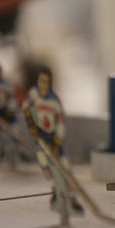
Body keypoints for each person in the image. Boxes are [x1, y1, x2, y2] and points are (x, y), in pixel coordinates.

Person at [22, 67, 83, 214]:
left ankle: (71, 197)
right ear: (38, 81)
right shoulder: (33, 93)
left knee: (65, 167)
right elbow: (25, 107)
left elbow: (61, 123)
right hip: (40, 136)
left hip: (53, 138)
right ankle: (56, 191)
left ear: (51, 83)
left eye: (47, 82)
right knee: (43, 163)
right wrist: (30, 123)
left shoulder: (55, 101)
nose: (44, 84)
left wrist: (57, 142)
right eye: (41, 81)